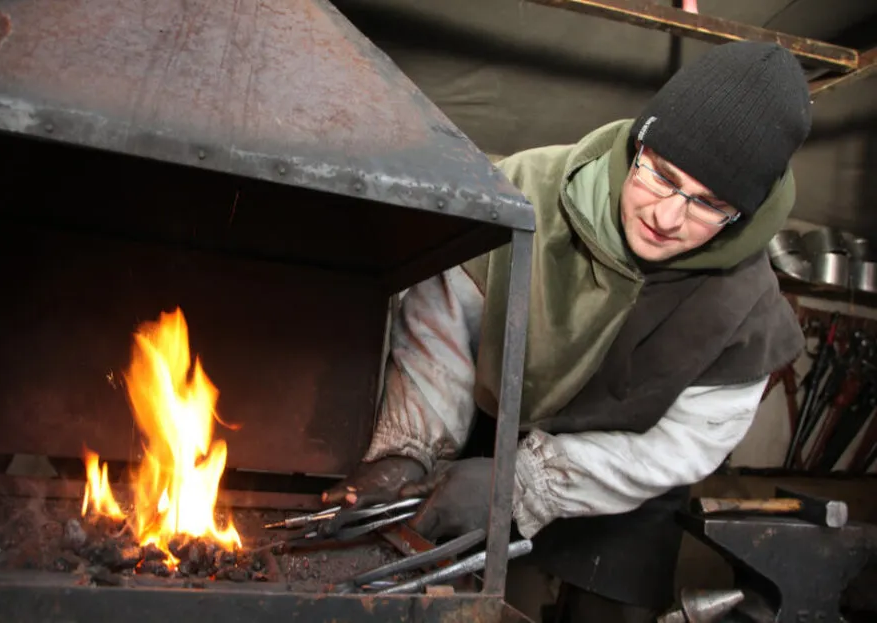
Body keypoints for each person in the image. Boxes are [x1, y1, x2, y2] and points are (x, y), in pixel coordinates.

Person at [323, 41, 811, 621]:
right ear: (639, 143)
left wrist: (525, 483)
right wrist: (409, 450)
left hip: (625, 488)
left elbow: (680, 446)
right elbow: (445, 323)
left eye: (709, 205)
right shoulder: (524, 189)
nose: (667, 216)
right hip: (484, 444)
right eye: (660, 175)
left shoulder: (750, 313)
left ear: (745, 215)